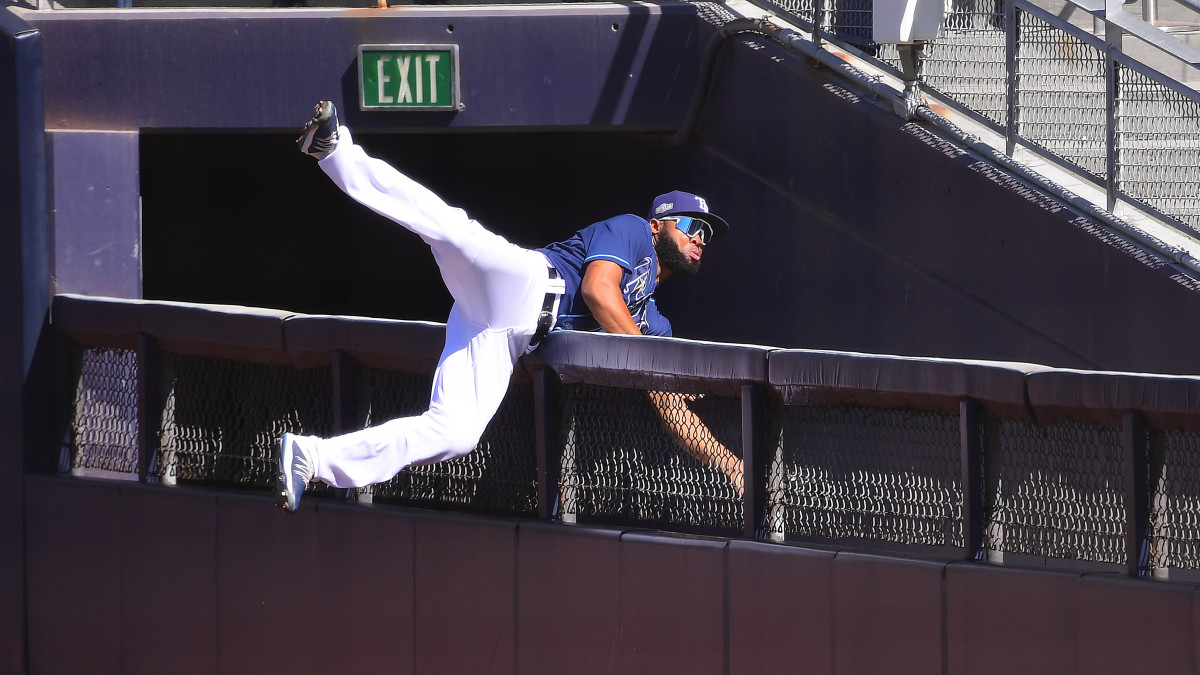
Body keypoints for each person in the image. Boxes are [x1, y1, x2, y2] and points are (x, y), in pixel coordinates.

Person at [276, 100, 743, 513]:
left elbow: (667, 399)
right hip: (524, 284)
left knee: (456, 433)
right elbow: (599, 291)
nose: (700, 238)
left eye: (707, 234)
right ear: (660, 224)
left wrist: (729, 462)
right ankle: (336, 150)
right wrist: (650, 362)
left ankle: (313, 458)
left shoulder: (652, 321)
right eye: (690, 225)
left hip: (507, 337)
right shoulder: (634, 231)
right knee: (449, 229)